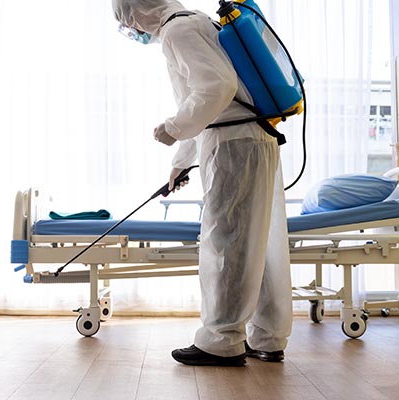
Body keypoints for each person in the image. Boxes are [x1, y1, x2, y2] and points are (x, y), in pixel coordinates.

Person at [112, 0, 292, 366]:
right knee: (261, 244)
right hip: (253, 139)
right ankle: (268, 338)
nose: (133, 30)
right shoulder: (196, 22)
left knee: (226, 243)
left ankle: (221, 341)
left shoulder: (177, 31)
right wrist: (180, 163)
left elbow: (216, 88)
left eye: (126, 21)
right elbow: (211, 100)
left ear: (133, 13)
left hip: (234, 147)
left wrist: (172, 127)